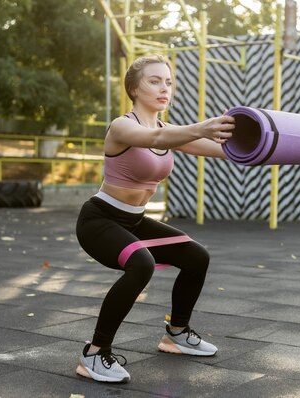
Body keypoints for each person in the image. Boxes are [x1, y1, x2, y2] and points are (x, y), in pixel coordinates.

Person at [75, 54, 235, 383]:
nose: (165, 88)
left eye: (169, 82)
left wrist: (267, 148)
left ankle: (175, 334)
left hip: (134, 221)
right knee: (142, 264)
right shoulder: (122, 126)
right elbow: (156, 140)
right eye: (154, 81)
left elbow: (222, 150)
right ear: (134, 88)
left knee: (196, 257)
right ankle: (94, 353)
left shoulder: (167, 129)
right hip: (99, 220)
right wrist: (202, 126)